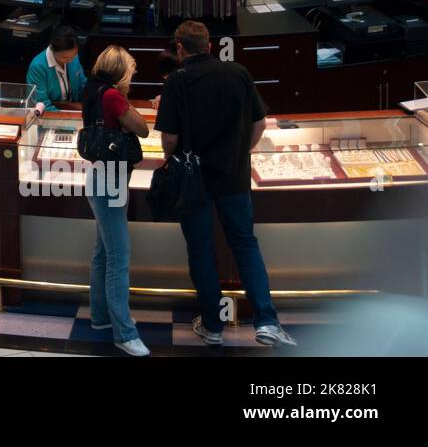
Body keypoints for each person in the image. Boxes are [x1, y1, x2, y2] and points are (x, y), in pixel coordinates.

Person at [155, 20, 297, 348]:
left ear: (179, 48)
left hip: (194, 181)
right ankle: (266, 321)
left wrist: (175, 155)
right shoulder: (238, 72)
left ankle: (212, 325)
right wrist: (240, 151)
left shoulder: (177, 80)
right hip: (234, 176)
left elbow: (170, 139)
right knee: (245, 244)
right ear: (210, 45)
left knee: (201, 250)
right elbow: (259, 123)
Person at [80, 46, 150, 357]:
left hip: (98, 177)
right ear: (122, 71)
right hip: (110, 180)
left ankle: (100, 317)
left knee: (103, 253)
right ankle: (124, 333)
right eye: (131, 72)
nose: (132, 78)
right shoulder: (112, 96)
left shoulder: (92, 90)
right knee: (118, 259)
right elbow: (143, 128)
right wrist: (127, 114)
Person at [25, 25, 86, 112]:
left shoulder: (73, 57)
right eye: (65, 57)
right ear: (53, 50)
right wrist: (65, 118)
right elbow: (40, 103)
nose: (70, 60)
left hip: (73, 108)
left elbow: (82, 85)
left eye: (74, 55)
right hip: (49, 114)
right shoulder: (38, 67)